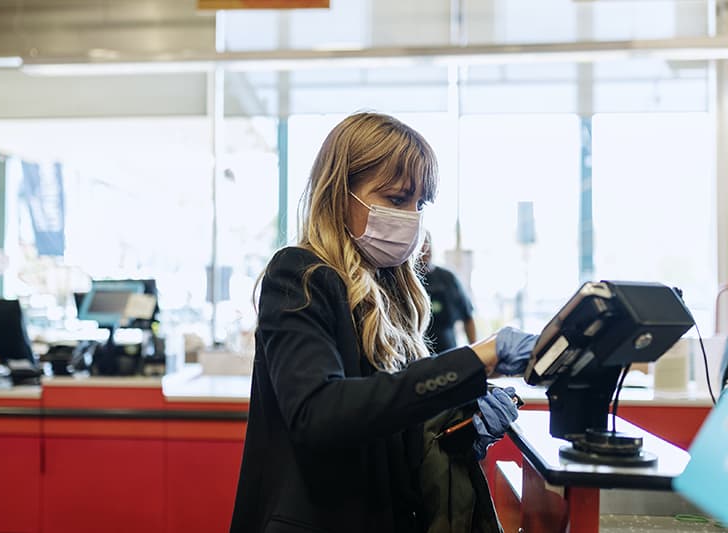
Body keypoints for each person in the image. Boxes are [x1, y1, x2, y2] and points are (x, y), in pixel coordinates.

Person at [230, 112, 537, 533]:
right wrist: (473, 361)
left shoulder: (394, 292)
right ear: (341, 194)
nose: (412, 218)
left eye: (419, 204)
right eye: (396, 199)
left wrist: (460, 421)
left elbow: (390, 427)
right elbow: (319, 414)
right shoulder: (300, 274)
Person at [420, 231, 477, 352]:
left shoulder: (448, 278)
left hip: (448, 351)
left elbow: (468, 316)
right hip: (417, 354)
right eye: (421, 243)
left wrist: (476, 352)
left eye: (427, 243)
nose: (425, 248)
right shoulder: (407, 281)